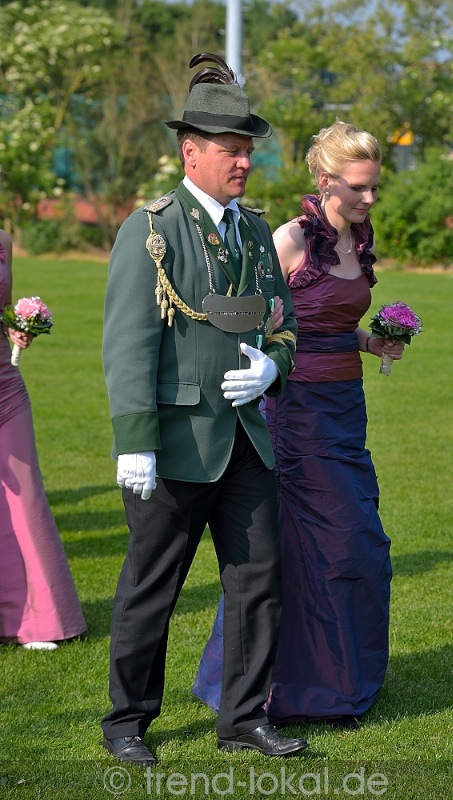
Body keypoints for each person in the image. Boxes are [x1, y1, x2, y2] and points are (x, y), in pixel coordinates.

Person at [100, 53, 306, 766]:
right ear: (191, 151)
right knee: (152, 588)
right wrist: (135, 440)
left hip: (245, 438)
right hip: (177, 441)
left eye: (248, 150)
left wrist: (271, 367)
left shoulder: (254, 230)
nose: (244, 162)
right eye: (231, 150)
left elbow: (284, 322)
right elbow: (129, 343)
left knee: (258, 583)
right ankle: (127, 720)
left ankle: (242, 716)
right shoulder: (151, 229)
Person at [193, 120, 405, 727]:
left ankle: (338, 679)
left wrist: (372, 341)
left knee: (354, 544)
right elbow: (257, 322)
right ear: (326, 180)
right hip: (295, 413)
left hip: (346, 412)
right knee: (318, 543)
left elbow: (332, 321)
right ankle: (277, 687)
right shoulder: (287, 240)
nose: (369, 199)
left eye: (374, 187)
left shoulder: (360, 239)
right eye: (359, 187)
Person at [0, 228, 86, 650]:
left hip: (5, 385)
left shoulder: (3, 240)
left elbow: (2, 310)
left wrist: (15, 328)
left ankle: (38, 619)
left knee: (26, 495)